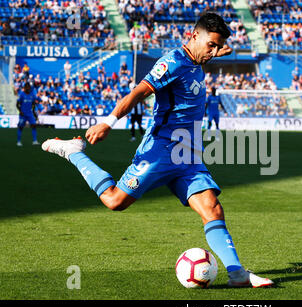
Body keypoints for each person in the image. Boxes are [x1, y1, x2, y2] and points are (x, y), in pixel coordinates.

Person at [42, 12, 273, 288]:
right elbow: (138, 92)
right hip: (161, 150)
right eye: (209, 45)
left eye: (216, 46)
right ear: (193, 36)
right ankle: (73, 151)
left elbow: (220, 47)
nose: (212, 52)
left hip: (187, 156)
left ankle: (237, 274)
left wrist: (219, 47)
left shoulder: (199, 56)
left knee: (212, 208)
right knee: (115, 201)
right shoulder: (172, 62)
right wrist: (108, 122)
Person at [16, 82, 39, 146]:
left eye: (29, 87)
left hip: (30, 113)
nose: (28, 88)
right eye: (27, 87)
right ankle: (18, 141)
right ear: (25, 88)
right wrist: (20, 111)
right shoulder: (22, 94)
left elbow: (33, 104)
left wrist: (34, 113)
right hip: (23, 114)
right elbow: (17, 104)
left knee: (34, 125)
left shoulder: (32, 95)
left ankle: (34, 141)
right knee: (21, 127)